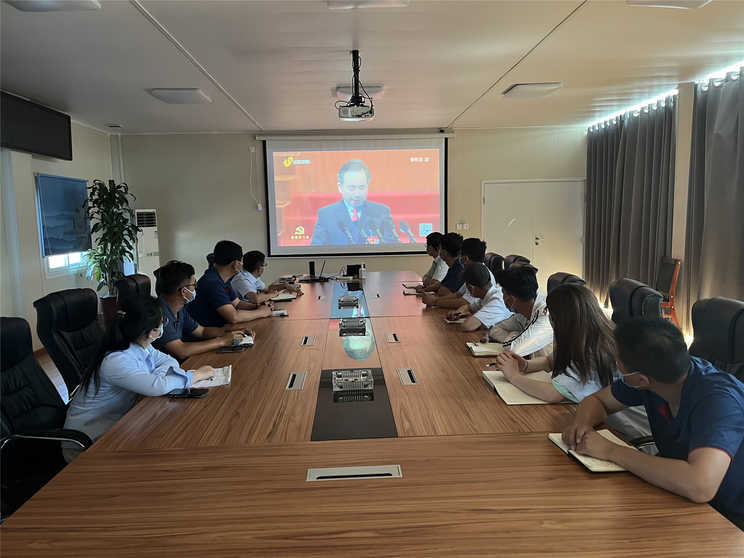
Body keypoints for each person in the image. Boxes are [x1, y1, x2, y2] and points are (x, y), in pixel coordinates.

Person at [562, 319, 744, 529]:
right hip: (677, 492)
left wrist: (610, 450)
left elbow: (700, 485)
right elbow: (597, 401)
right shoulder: (660, 375)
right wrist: (582, 426)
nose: (617, 365)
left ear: (641, 379)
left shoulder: (719, 401)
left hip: (729, 516)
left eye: (618, 362)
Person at [62, 296, 217, 461]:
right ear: (151, 332)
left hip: (118, 426)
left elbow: (169, 361)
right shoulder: (116, 360)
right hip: (87, 444)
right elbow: (158, 386)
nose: (164, 325)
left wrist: (155, 379)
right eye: (162, 322)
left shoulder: (141, 345)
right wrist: (197, 375)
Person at [492, 284, 650, 440]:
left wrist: (514, 377)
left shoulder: (595, 349)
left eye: (550, 314)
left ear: (562, 321)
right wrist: (526, 365)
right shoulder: (585, 336)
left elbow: (553, 394)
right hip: (603, 423)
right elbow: (550, 361)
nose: (549, 319)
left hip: (628, 434)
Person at [152, 260, 252, 361]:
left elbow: (202, 331)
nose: (196, 288)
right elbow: (181, 351)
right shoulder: (160, 314)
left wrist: (230, 331)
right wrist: (222, 341)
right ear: (184, 291)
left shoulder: (179, 309)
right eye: (194, 285)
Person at [310, 159, 397, 246]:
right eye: (352, 188)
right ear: (340, 187)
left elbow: (392, 246)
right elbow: (316, 249)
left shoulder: (382, 212)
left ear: (367, 186)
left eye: (361, 187)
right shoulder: (326, 215)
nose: (357, 194)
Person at [187, 240, 273, 327]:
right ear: (235, 264)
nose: (242, 265)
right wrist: (262, 312)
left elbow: (237, 303)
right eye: (241, 261)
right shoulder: (213, 283)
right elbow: (234, 317)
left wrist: (257, 306)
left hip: (220, 327)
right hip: (209, 332)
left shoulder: (222, 278)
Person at [486, 264, 552, 357]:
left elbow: (514, 349)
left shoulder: (545, 313)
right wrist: (518, 335)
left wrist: (517, 338)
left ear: (512, 298)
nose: (502, 298)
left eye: (503, 293)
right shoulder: (525, 307)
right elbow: (494, 330)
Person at [423, 237, 504, 311]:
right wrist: (435, 300)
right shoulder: (472, 271)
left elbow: (465, 302)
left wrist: (435, 302)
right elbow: (457, 294)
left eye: (460, 256)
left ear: (465, 258)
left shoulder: (478, 274)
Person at [446, 262, 512, 332]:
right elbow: (468, 307)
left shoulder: (496, 301)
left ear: (471, 288)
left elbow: (466, 326)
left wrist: (471, 317)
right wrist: (458, 313)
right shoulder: (487, 295)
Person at [231, 250, 302, 305]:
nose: (264, 268)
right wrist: (272, 294)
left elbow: (267, 289)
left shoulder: (251, 275)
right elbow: (255, 299)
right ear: (259, 268)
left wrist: (285, 286)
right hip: (242, 312)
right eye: (264, 265)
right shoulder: (242, 279)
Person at [420, 232, 464, 297]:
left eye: (440, 249)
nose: (439, 251)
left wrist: (428, 291)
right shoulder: (454, 266)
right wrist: (424, 290)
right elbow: (439, 285)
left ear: (445, 252)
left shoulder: (458, 269)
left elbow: (442, 292)